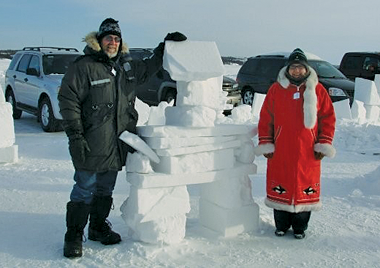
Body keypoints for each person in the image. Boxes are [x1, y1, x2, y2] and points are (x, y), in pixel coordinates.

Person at [58, 18, 186, 258]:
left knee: (106, 189)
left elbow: (150, 66)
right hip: (90, 141)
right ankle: (74, 235)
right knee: (84, 188)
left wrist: (164, 46)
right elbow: (68, 100)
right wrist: (75, 136)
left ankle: (97, 227)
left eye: (117, 39)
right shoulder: (84, 66)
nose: (113, 43)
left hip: (117, 143)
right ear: (99, 40)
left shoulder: (127, 67)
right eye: (108, 38)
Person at [254, 48, 336, 239]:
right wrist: (266, 142)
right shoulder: (276, 89)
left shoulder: (317, 90)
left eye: (300, 67)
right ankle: (281, 225)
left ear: (306, 69)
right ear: (288, 69)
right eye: (293, 67)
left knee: (304, 185)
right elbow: (266, 117)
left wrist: (323, 143)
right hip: (281, 148)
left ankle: (300, 227)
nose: (297, 71)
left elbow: (328, 118)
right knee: (281, 185)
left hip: (308, 150)